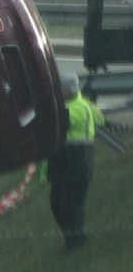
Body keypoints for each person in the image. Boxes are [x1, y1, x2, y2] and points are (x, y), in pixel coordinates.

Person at [47, 74, 105, 251]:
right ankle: (73, 239)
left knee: (71, 205)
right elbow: (101, 119)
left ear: (68, 90)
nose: (58, 93)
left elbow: (62, 121)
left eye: (60, 90)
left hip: (78, 161)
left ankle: (76, 243)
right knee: (57, 202)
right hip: (63, 161)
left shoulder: (78, 107)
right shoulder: (74, 105)